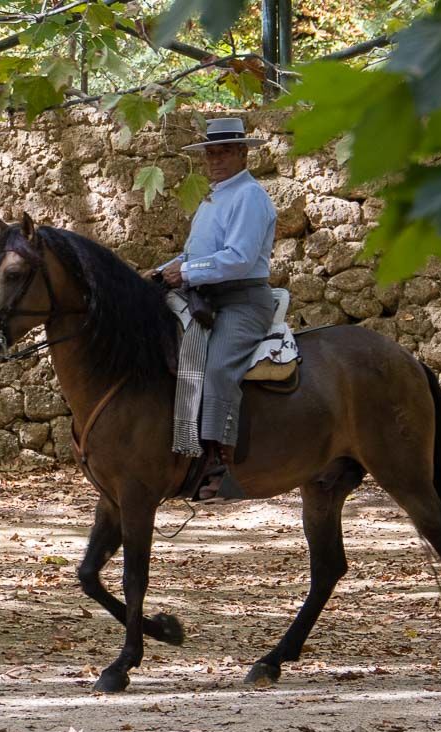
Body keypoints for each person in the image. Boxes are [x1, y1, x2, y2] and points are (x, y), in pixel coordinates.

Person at [156, 116, 277, 499]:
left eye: (223, 151)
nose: (215, 159)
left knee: (217, 367)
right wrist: (160, 272)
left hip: (242, 301)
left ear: (243, 153)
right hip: (208, 298)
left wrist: (186, 272)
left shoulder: (250, 196)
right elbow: (193, 254)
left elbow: (239, 259)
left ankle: (221, 465)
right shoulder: (214, 197)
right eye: (210, 152)